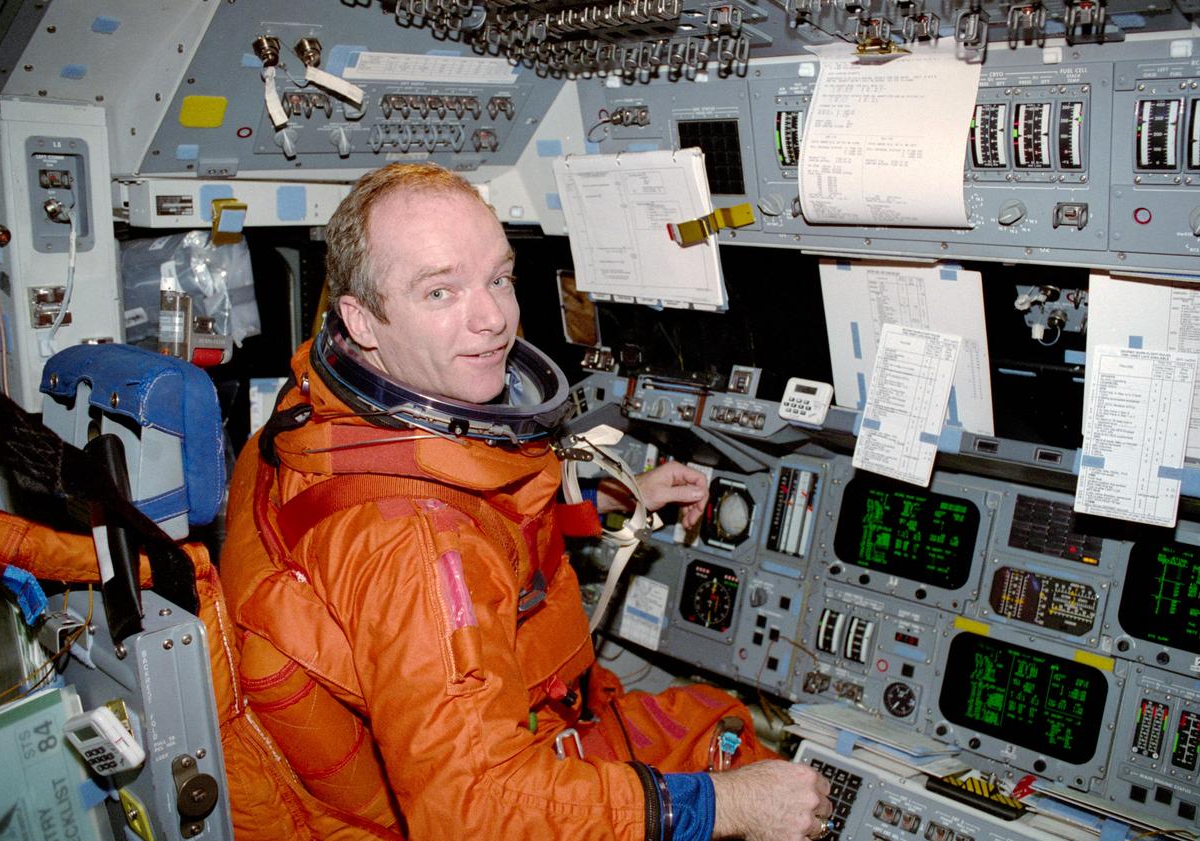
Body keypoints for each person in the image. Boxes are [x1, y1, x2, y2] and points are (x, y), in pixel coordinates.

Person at [220, 162, 834, 841]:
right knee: (728, 740)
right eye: (440, 291)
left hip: (426, 757)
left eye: (499, 278)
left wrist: (598, 504)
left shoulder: (307, 413)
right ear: (363, 320)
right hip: (473, 795)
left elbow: (474, 523)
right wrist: (730, 806)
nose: (493, 320)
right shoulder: (417, 549)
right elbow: (476, 811)